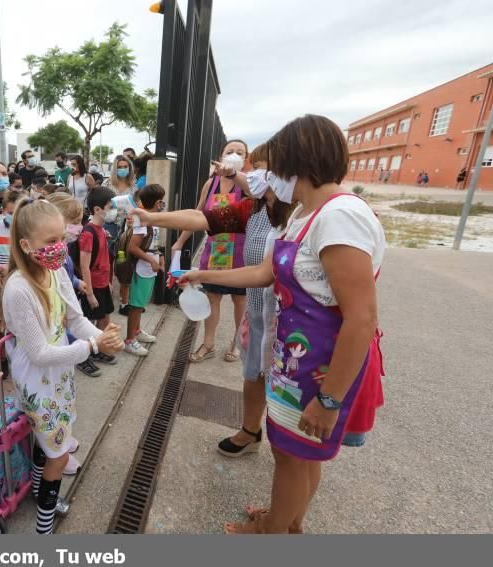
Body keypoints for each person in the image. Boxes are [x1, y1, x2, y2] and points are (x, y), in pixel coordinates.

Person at [180, 115, 385, 534]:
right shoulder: (304, 215)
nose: (265, 178)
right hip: (295, 360)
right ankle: (289, 523)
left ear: (298, 161)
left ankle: (268, 535)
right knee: (296, 453)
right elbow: (263, 273)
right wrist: (201, 275)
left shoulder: (340, 216)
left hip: (320, 369)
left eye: (272, 167)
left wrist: (329, 400)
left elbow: (361, 318)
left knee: (292, 455)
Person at [135, 143, 295, 458]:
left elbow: (264, 274)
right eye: (256, 168)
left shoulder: (300, 216)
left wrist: (202, 275)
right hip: (259, 310)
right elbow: (201, 217)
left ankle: (287, 447)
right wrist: (151, 218)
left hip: (289, 322)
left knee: (284, 391)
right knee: (253, 374)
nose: (259, 176)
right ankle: (251, 430)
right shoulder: (255, 208)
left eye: (266, 169)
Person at [2, 198, 123, 533]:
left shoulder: (56, 272)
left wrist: (102, 336)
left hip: (60, 374)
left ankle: (42, 493)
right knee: (57, 452)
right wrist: (91, 346)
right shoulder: (18, 289)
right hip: (37, 380)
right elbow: (39, 353)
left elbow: (76, 318)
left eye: (61, 238)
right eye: (49, 241)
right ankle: (44, 527)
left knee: (50, 442)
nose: (59, 247)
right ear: (25, 245)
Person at [174, 140, 251, 364]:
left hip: (241, 251)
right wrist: (180, 241)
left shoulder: (249, 185)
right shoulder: (211, 184)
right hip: (215, 250)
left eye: (240, 152)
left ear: (246, 159)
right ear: (221, 155)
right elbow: (198, 215)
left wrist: (235, 174)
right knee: (212, 298)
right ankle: (208, 344)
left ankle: (237, 343)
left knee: (240, 300)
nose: (234, 155)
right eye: (230, 151)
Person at [77, 187, 118, 376]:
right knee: (87, 322)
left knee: (104, 318)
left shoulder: (101, 230)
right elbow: (85, 266)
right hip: (92, 286)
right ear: (97, 209)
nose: (114, 210)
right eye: (111, 206)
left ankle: (97, 350)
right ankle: (83, 357)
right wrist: (90, 293)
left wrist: (108, 282)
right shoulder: (88, 233)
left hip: (102, 284)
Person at [123, 184, 166, 356]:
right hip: (141, 269)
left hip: (149, 268)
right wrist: (151, 260)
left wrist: (159, 256)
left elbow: (153, 243)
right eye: (162, 200)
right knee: (135, 305)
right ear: (157, 202)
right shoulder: (142, 221)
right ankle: (129, 340)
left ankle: (137, 331)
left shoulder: (151, 218)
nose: (163, 204)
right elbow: (133, 247)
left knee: (141, 304)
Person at [103, 155, 139, 312]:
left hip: (127, 226)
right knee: (107, 260)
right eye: (120, 166)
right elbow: (101, 203)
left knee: (123, 260)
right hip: (110, 224)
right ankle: (107, 293)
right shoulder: (107, 184)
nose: (123, 169)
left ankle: (124, 298)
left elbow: (137, 205)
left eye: (126, 166)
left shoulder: (134, 186)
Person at [46, 192, 86, 295]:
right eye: (75, 222)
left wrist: (76, 282)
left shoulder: (64, 248)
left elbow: (66, 274)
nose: (80, 227)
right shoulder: (47, 254)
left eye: (81, 222)